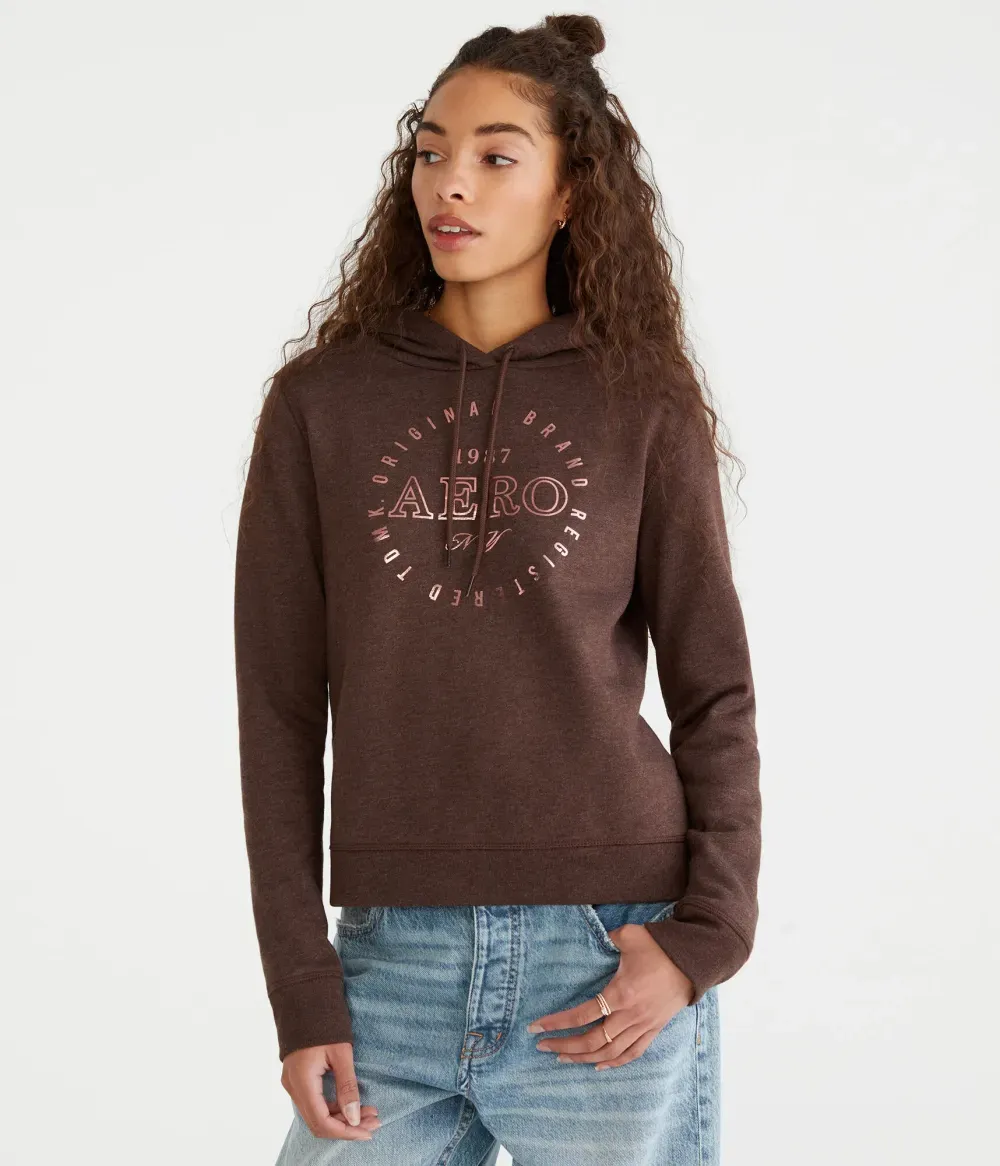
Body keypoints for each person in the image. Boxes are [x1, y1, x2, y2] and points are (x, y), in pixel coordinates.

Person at [234, 13, 761, 1165]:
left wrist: (705, 936)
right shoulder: (321, 404)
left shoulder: (642, 403)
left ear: (569, 191)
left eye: (495, 154)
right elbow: (275, 709)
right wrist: (300, 984)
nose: (450, 183)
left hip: (607, 961)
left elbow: (714, 688)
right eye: (429, 151)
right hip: (387, 963)